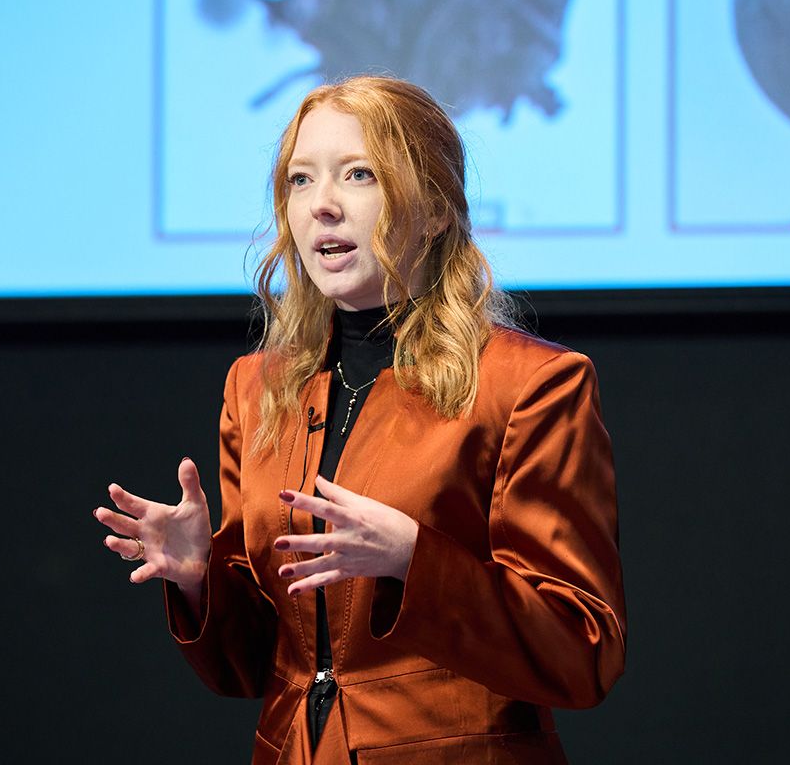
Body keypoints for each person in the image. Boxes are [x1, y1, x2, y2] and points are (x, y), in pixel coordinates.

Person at [94, 76, 625, 764]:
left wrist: (415, 561)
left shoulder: (530, 385)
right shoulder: (258, 389)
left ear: (434, 210)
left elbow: (582, 651)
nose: (323, 206)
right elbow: (253, 666)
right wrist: (199, 579)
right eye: (301, 180)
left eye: (359, 175)